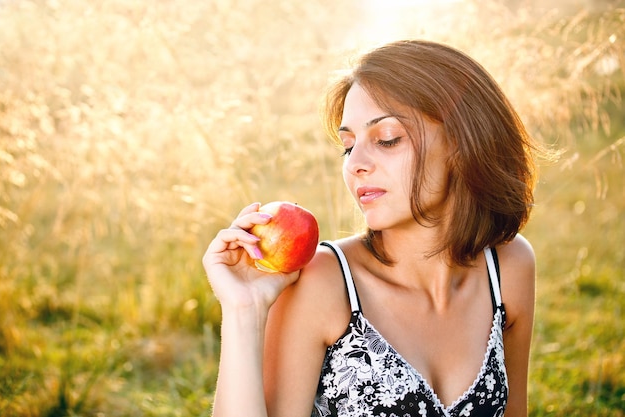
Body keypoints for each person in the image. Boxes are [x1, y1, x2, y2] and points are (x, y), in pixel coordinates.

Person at [203, 40, 539, 417]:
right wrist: (243, 311)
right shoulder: (322, 282)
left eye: (386, 139)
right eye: (348, 146)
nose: (355, 164)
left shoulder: (508, 267)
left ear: (464, 144)